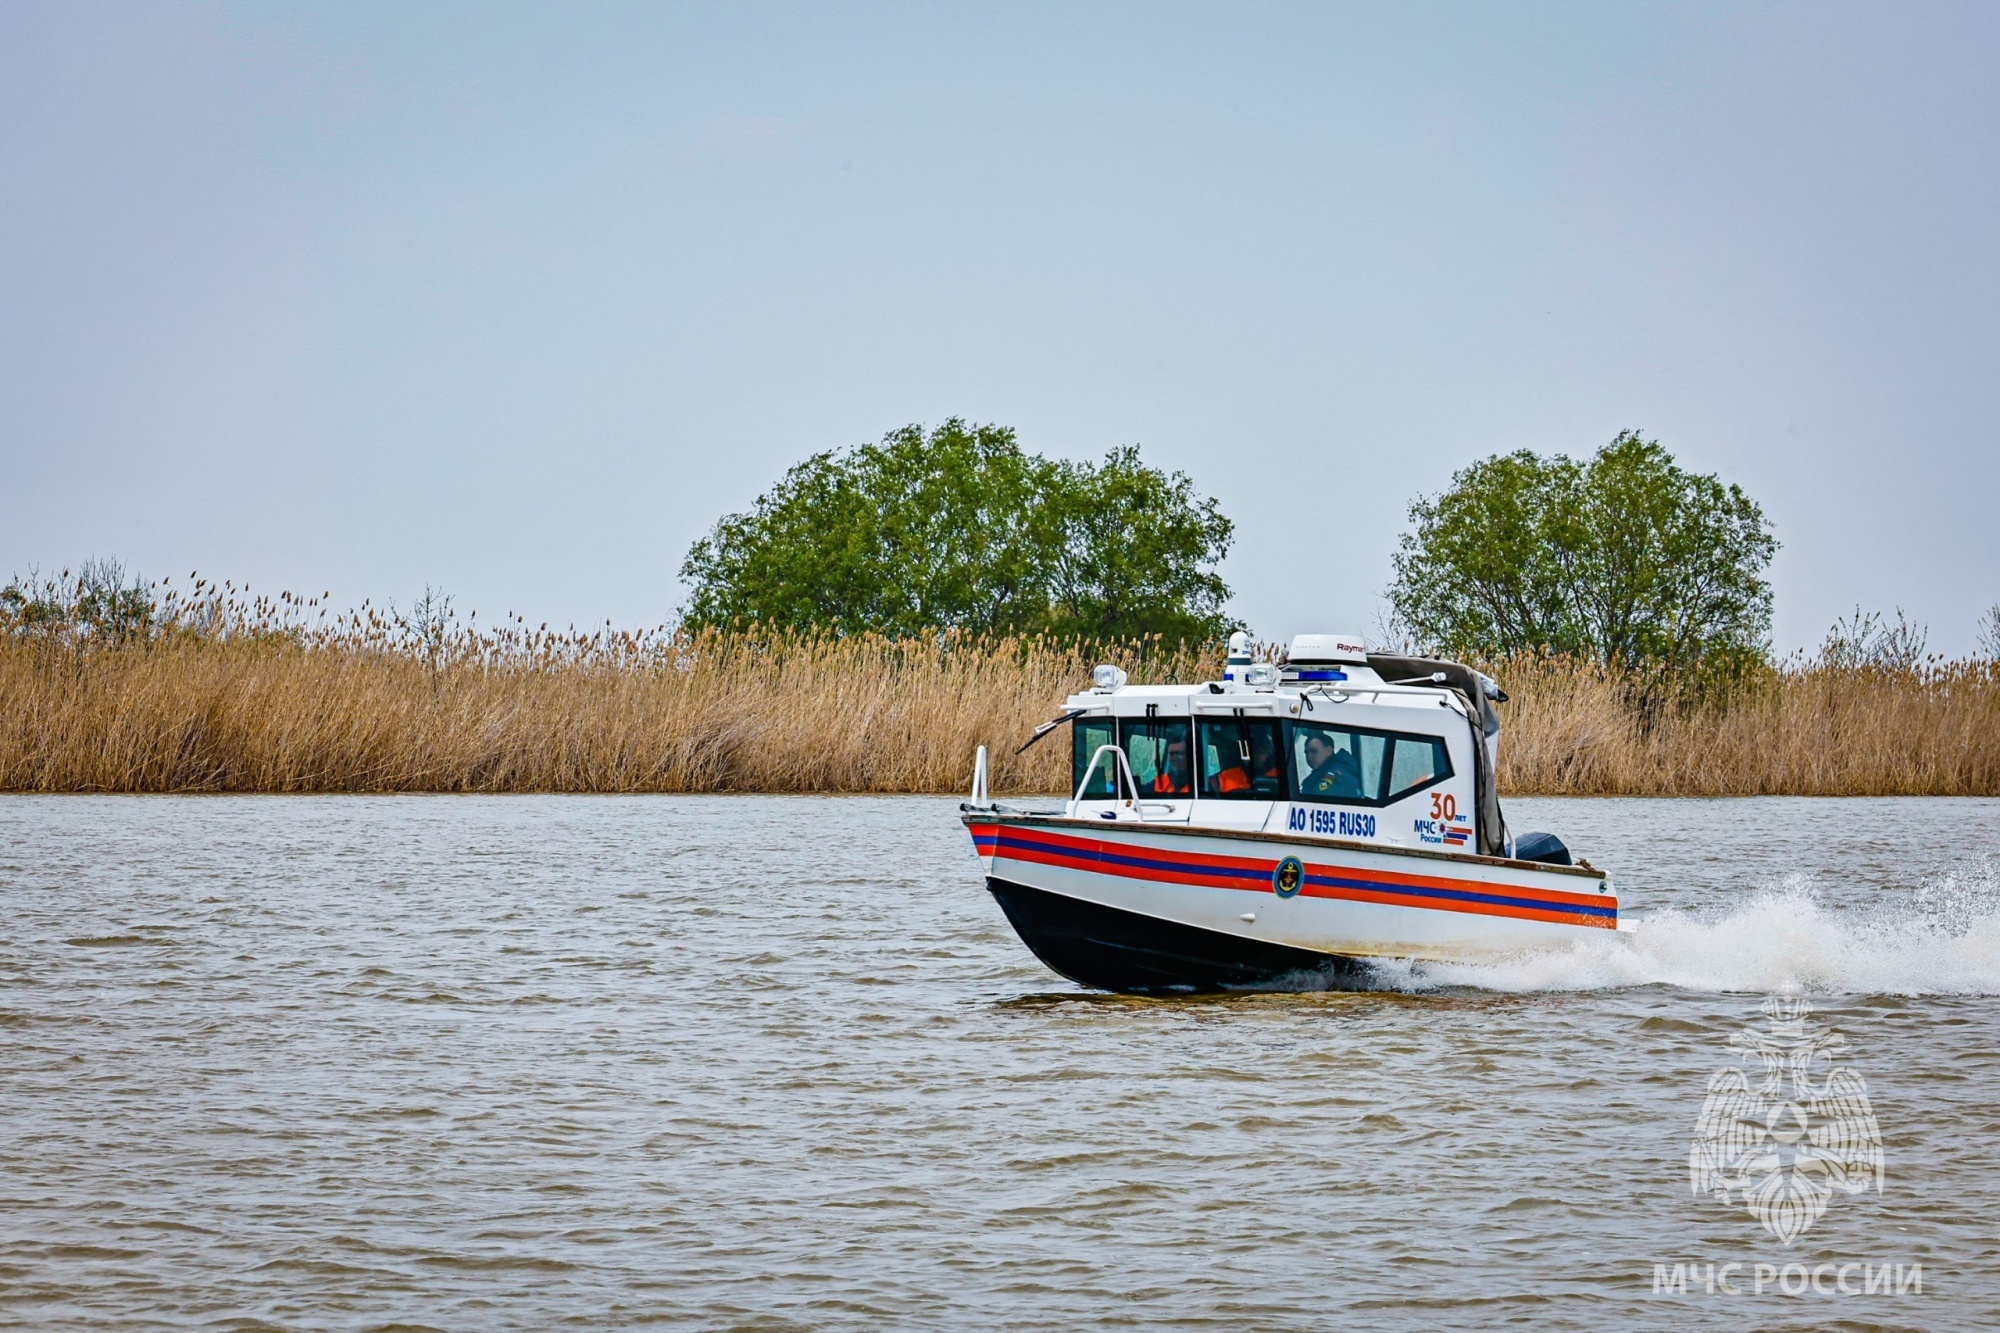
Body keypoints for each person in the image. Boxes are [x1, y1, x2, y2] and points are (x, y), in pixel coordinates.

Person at [1299, 730, 1362, 799]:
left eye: (1314, 751)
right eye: (1306, 753)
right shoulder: (1324, 773)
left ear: (1329, 751)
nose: (1309, 757)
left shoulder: (1334, 775)